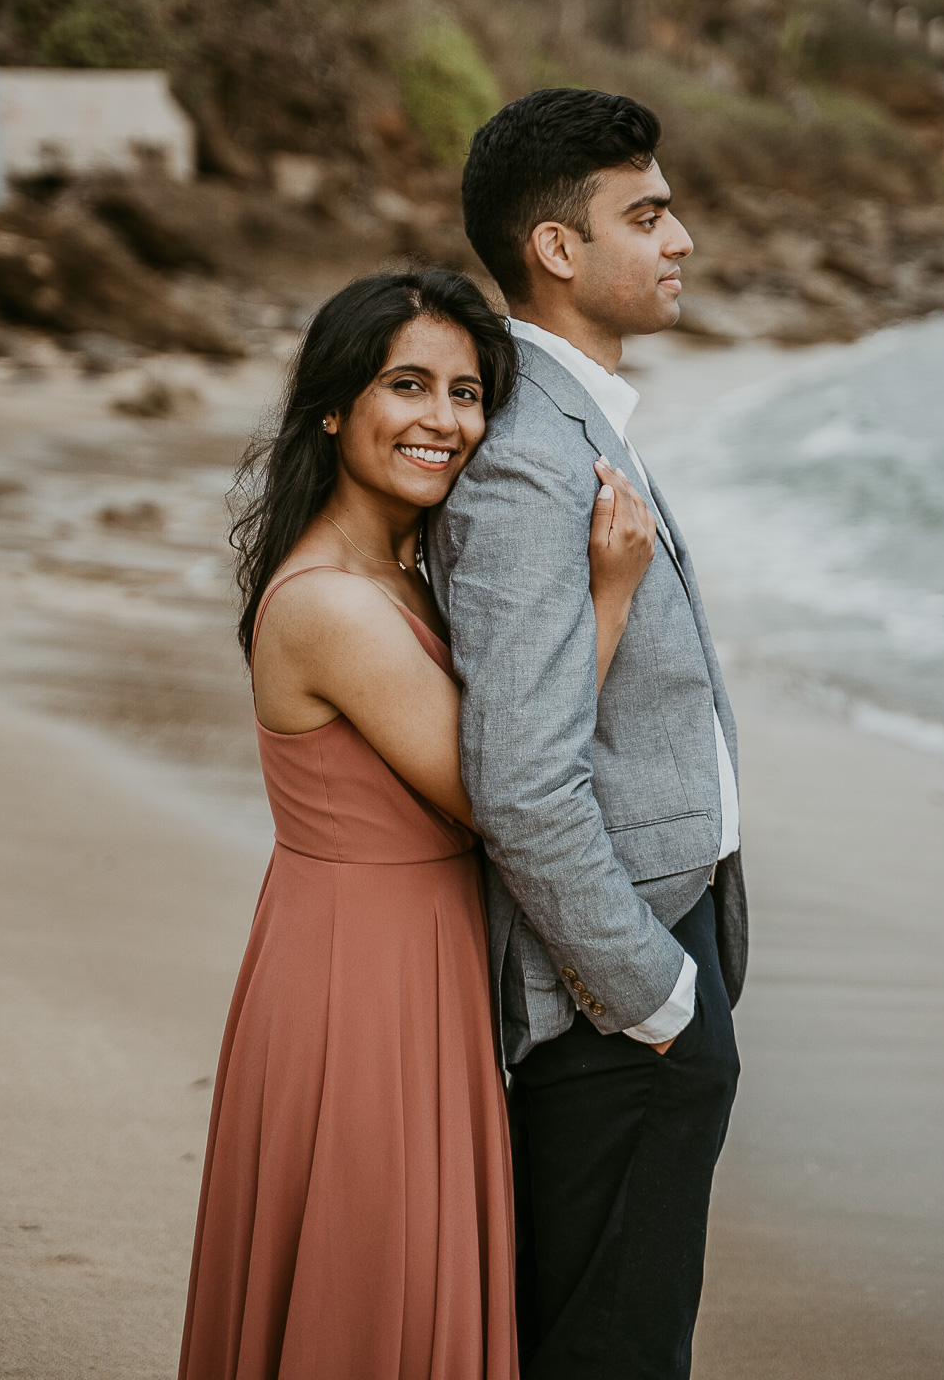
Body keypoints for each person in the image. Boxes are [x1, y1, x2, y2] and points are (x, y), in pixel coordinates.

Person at [177, 267, 657, 1380]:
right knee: (371, 1278)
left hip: (410, 963)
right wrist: (610, 599)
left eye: (468, 392)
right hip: (358, 983)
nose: (445, 420)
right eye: (409, 385)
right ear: (336, 405)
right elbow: (499, 791)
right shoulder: (331, 605)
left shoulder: (404, 571)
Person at [428, 89, 748, 1380]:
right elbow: (519, 776)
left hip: (663, 940)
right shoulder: (526, 458)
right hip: (619, 985)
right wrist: (654, 996)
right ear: (558, 249)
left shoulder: (578, 422)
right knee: (609, 1350)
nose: (682, 241)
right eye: (649, 214)